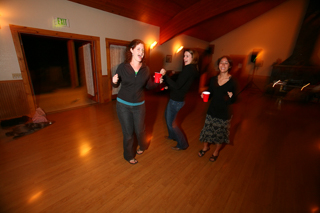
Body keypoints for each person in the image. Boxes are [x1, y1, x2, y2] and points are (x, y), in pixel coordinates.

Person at [112, 39, 163, 164]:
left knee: (140, 130)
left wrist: (157, 82)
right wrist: (114, 81)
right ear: (131, 50)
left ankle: (143, 146)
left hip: (139, 105)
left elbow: (148, 86)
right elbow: (116, 83)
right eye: (138, 49)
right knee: (128, 133)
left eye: (143, 50)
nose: (141, 52)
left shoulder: (145, 69)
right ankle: (129, 156)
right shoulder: (122, 67)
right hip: (123, 105)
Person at [198, 55, 237, 162]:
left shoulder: (232, 82)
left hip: (224, 113)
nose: (223, 65)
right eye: (221, 62)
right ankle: (205, 147)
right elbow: (210, 94)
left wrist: (231, 97)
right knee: (207, 132)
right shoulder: (213, 79)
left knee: (220, 135)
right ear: (218, 65)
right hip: (212, 110)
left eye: (226, 63)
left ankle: (216, 152)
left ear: (229, 66)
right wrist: (204, 95)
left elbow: (234, 100)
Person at [161, 49, 199, 150]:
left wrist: (165, 76)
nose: (184, 58)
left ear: (193, 57)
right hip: (176, 98)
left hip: (176, 101)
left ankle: (183, 144)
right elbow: (181, 83)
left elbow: (177, 85)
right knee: (167, 118)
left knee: (173, 124)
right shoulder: (191, 69)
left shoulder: (188, 69)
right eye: (184, 56)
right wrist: (169, 83)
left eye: (187, 56)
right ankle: (172, 136)